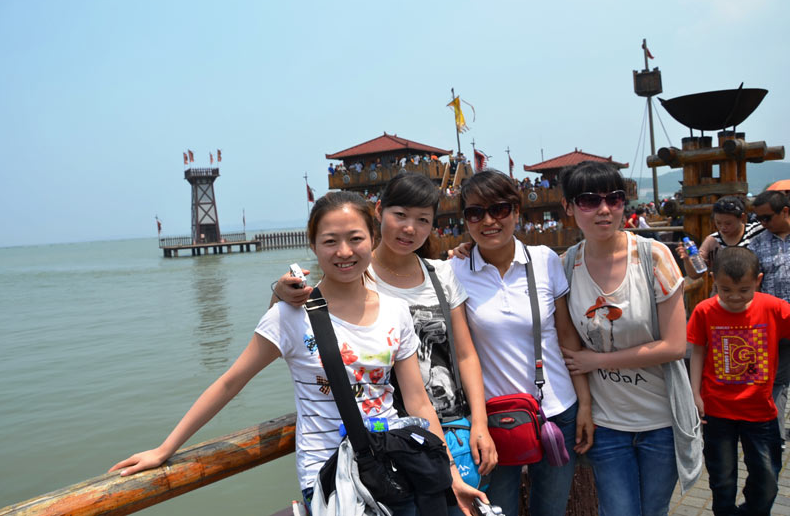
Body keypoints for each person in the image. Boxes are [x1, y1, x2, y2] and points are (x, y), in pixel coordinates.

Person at [109, 191, 458, 515]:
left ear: (373, 239)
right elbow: (231, 382)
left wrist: (451, 474)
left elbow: (418, 401)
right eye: (330, 241)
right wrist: (164, 450)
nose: (344, 252)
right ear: (313, 245)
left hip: (397, 461)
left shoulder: (395, 311)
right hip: (329, 473)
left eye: (355, 238)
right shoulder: (290, 315)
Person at [272, 174, 495, 516]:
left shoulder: (442, 273)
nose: (410, 228)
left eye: (423, 220)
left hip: (449, 428)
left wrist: (480, 422)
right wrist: (277, 293)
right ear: (379, 212)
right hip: (393, 438)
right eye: (400, 215)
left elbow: (465, 354)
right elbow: (301, 323)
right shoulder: (353, 273)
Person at [449, 169, 594, 516]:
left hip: (556, 412)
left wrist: (585, 404)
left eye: (499, 209)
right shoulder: (454, 270)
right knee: (498, 510)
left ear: (516, 211)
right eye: (475, 213)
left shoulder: (544, 260)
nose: (488, 221)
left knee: (551, 510)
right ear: (465, 220)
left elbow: (566, 337)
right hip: (495, 419)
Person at [557, 161, 697, 516]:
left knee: (654, 510)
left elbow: (675, 346)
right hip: (606, 422)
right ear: (569, 207)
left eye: (614, 199)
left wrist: (598, 361)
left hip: (661, 420)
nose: (604, 209)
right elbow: (570, 346)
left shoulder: (653, 257)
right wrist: (466, 251)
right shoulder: (565, 266)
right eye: (589, 201)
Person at [688, 246, 790, 516]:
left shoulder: (774, 307)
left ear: (758, 280)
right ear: (714, 280)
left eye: (743, 290)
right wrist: (694, 394)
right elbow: (697, 352)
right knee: (722, 479)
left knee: (767, 479)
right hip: (717, 410)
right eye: (726, 290)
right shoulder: (704, 310)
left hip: (760, 411)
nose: (734, 297)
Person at [750, 190, 790, 446]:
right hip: (774, 325)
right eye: (759, 219)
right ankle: (775, 436)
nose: (763, 223)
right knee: (777, 382)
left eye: (767, 217)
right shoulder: (756, 243)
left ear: (785, 211)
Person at [677, 195, 764, 281]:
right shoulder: (712, 241)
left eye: (728, 223)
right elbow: (695, 274)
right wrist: (687, 259)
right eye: (718, 223)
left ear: (742, 217)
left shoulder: (756, 231)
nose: (723, 227)